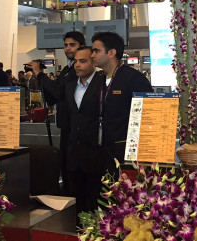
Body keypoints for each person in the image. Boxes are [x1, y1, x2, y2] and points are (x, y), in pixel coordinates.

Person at [30, 30, 85, 195]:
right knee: (65, 167)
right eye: (66, 45)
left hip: (76, 128)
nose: (68, 49)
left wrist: (40, 75)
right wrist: (43, 81)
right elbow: (54, 97)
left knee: (73, 171)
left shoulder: (77, 72)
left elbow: (59, 92)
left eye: (72, 45)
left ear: (81, 47)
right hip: (65, 126)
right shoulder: (68, 70)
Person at [91, 31, 153, 173]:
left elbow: (148, 117)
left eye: (96, 51)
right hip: (102, 151)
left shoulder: (133, 78)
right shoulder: (99, 79)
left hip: (126, 155)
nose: (92, 55)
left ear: (111, 53)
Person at [65, 46, 105, 214]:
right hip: (75, 156)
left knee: (98, 205)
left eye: (83, 61)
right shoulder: (70, 85)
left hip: (97, 155)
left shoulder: (103, 83)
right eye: (75, 61)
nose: (77, 65)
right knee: (79, 206)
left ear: (93, 62)